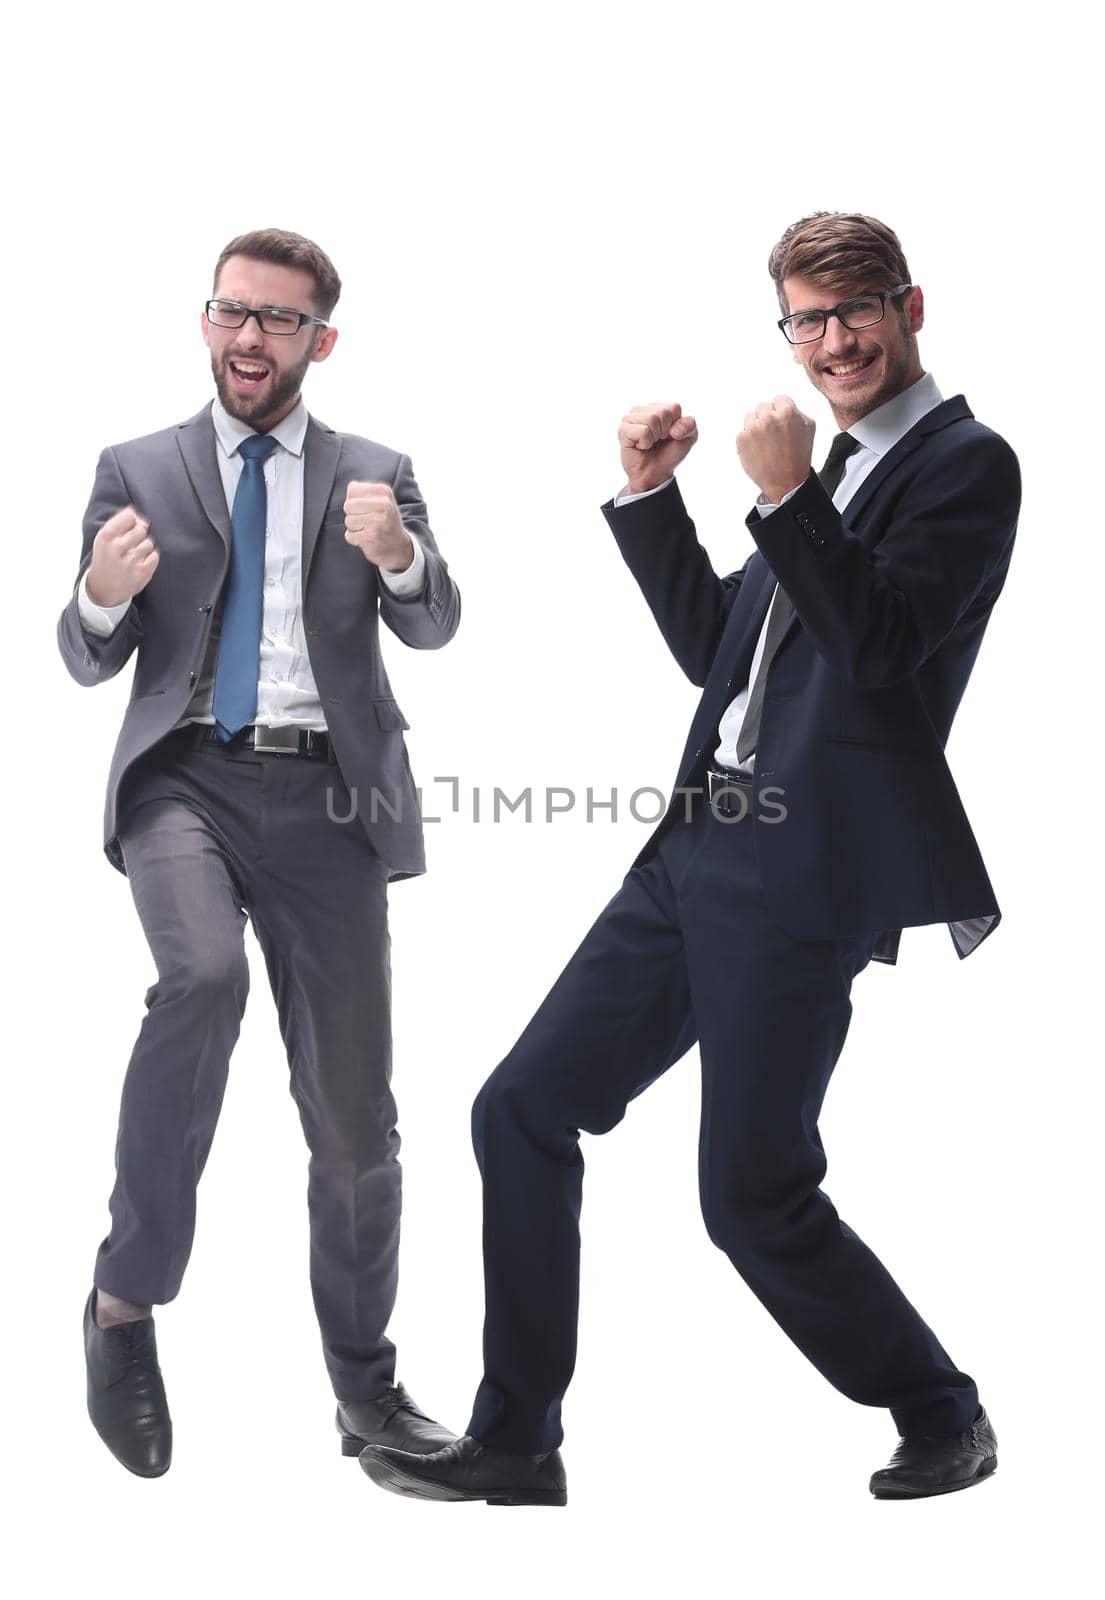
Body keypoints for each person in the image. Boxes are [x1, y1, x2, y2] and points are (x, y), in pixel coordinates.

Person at [357, 211, 1020, 1506]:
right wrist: (654, 501)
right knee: (520, 1110)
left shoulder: (964, 465)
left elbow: (881, 657)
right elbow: (725, 648)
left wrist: (782, 497)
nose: (832, 342)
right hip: (692, 849)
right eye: (806, 321)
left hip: (800, 875)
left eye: (855, 311)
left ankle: (941, 1411)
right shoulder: (826, 473)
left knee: (752, 1199)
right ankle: (517, 1443)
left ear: (912, 307)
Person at [58, 228, 461, 1478]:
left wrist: (400, 556)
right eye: (233, 311)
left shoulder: (376, 469)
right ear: (207, 320)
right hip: (183, 778)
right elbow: (84, 655)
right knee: (203, 980)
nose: (249, 336)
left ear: (318, 341)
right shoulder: (137, 463)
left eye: (279, 320)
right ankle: (124, 1310)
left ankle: (366, 1389)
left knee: (354, 1123)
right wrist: (102, 597)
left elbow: (437, 618)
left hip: (329, 798)